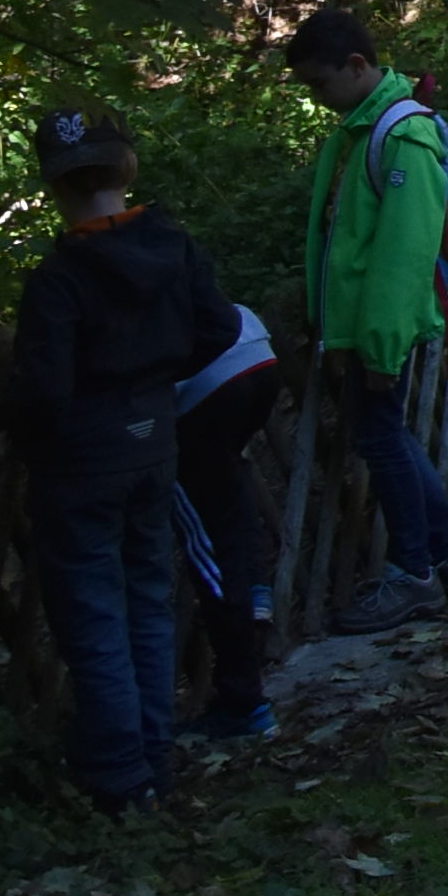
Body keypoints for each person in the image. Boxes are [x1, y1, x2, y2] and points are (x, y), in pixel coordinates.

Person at [13, 106, 240, 810]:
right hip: (154, 442)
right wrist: (157, 379)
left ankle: (119, 776)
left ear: (53, 185)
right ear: (128, 166)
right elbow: (221, 327)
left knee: (93, 616)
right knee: (146, 600)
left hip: (83, 460)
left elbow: (43, 391)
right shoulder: (173, 247)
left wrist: (24, 435)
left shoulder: (59, 279)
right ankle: (153, 760)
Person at [288, 7, 448, 633]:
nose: (316, 99)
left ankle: (414, 573)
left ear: (355, 66)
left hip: (380, 331)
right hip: (363, 327)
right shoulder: (362, 129)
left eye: (320, 84)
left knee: (382, 441)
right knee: (388, 437)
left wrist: (380, 347)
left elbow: (403, 253)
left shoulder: (402, 137)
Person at [171, 288, 284, 742]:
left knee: (209, 539)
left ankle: (244, 701)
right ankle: (255, 589)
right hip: (253, 347)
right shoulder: (157, 253)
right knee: (225, 489)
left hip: (202, 383)